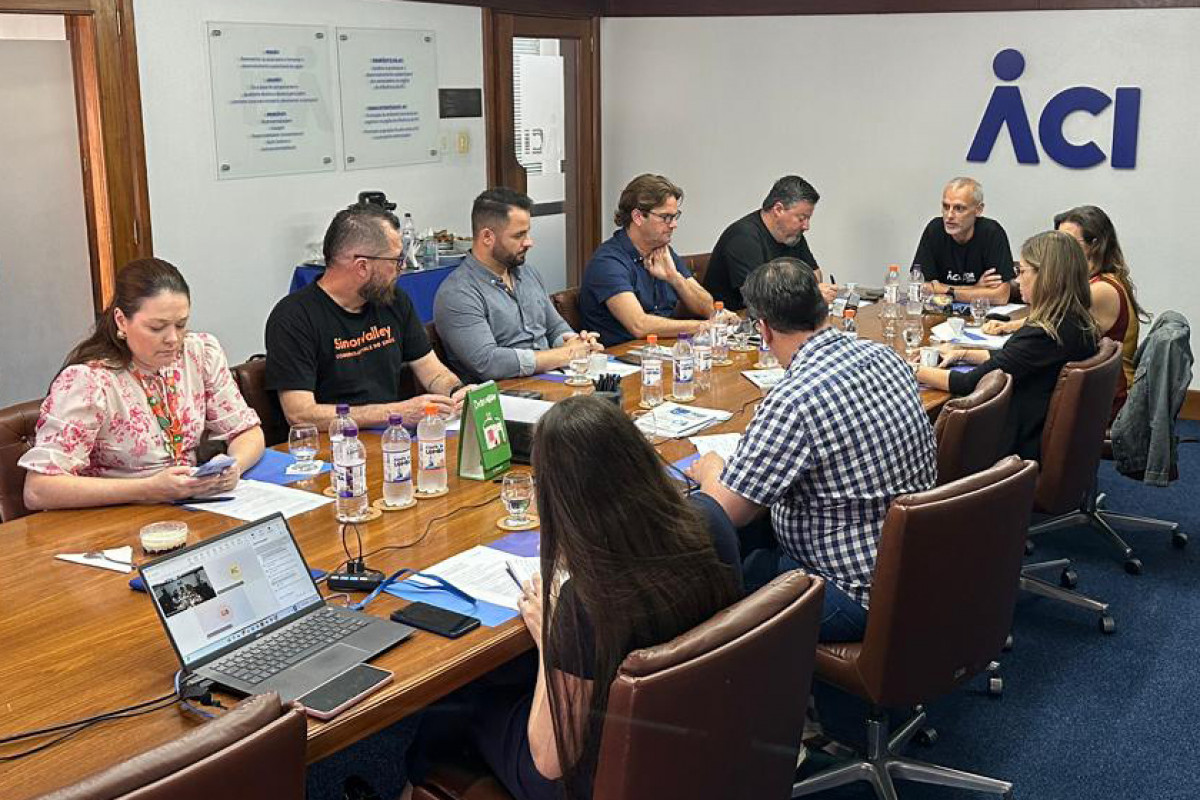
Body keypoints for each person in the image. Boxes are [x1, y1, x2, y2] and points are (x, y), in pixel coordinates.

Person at [405, 395, 743, 800]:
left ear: (557, 499)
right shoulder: (711, 520)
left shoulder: (585, 600)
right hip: (699, 739)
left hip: (599, 775)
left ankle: (417, 783)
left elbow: (551, 760)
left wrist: (551, 639)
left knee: (458, 703)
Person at [688, 259, 936, 643]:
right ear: (822, 308)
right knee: (755, 544)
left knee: (709, 580)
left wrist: (710, 469)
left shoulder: (794, 399)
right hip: (913, 566)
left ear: (763, 329)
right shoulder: (887, 357)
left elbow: (724, 513)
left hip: (849, 591)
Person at [20, 258, 264, 510]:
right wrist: (147, 489)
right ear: (121, 321)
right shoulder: (89, 381)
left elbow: (246, 431)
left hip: (189, 509)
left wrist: (234, 466)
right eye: (157, 328)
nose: (173, 339)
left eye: (181, 325)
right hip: (115, 515)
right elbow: (38, 490)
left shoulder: (198, 354)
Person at [265, 203, 469, 428]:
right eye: (396, 261)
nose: (402, 269)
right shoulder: (294, 318)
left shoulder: (393, 300)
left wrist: (456, 391)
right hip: (336, 441)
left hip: (392, 435)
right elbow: (300, 414)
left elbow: (433, 372)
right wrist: (394, 413)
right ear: (362, 267)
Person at [917, 230, 1099, 462]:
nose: (1017, 280)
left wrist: (908, 369)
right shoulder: (1074, 322)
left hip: (1011, 447)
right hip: (1035, 433)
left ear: (1046, 276)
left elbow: (968, 383)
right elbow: (1012, 358)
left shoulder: (1044, 335)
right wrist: (963, 353)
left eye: (1022, 271)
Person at [987, 205, 1146, 422]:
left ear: (1095, 245)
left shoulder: (1100, 290)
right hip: (1098, 392)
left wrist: (1009, 327)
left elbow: (1052, 322)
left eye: (1069, 241)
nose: (1060, 247)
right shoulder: (1102, 279)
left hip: (1109, 399)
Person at [433, 188, 602, 382]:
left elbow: (554, 328)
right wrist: (565, 355)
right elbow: (488, 363)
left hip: (552, 380)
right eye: (518, 235)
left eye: (527, 233)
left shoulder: (528, 274)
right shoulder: (458, 293)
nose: (529, 242)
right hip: (505, 392)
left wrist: (577, 343)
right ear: (487, 237)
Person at [579, 174, 717, 346]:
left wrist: (675, 278)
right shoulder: (608, 262)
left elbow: (709, 308)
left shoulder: (662, 250)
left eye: (675, 216)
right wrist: (702, 326)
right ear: (638, 217)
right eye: (666, 217)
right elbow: (639, 325)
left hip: (661, 350)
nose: (674, 224)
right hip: (620, 355)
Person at [703, 175, 836, 311]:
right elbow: (759, 297)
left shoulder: (792, 235)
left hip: (779, 316)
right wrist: (810, 295)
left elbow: (814, 273)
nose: (806, 226)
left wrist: (812, 291)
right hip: (735, 317)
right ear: (778, 209)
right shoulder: (742, 237)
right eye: (801, 218)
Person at [912, 177, 1014, 303]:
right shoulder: (934, 230)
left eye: (959, 208)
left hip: (981, 312)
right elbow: (921, 287)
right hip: (940, 311)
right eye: (946, 207)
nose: (949, 215)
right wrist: (975, 288)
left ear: (978, 210)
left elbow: (1001, 296)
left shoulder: (991, 233)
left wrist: (945, 290)